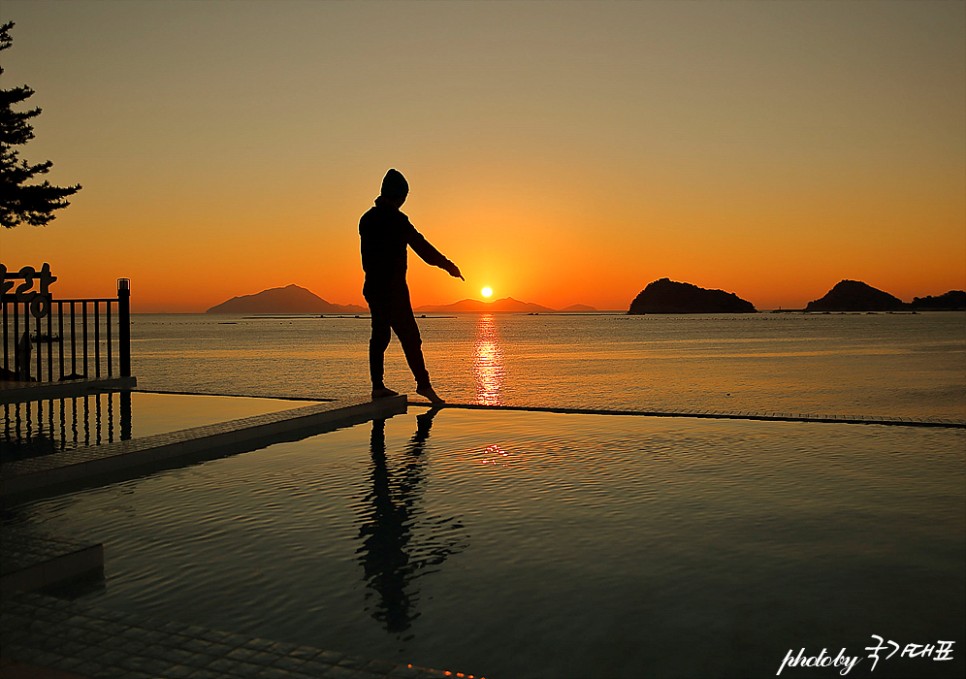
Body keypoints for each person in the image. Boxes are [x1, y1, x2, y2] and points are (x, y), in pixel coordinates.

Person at [359, 169, 463, 403]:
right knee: (410, 337)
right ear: (398, 195)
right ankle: (423, 385)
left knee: (380, 336)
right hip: (392, 289)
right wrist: (448, 266)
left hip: (373, 287)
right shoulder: (396, 220)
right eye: (403, 196)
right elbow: (422, 248)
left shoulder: (367, 218)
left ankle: (378, 386)